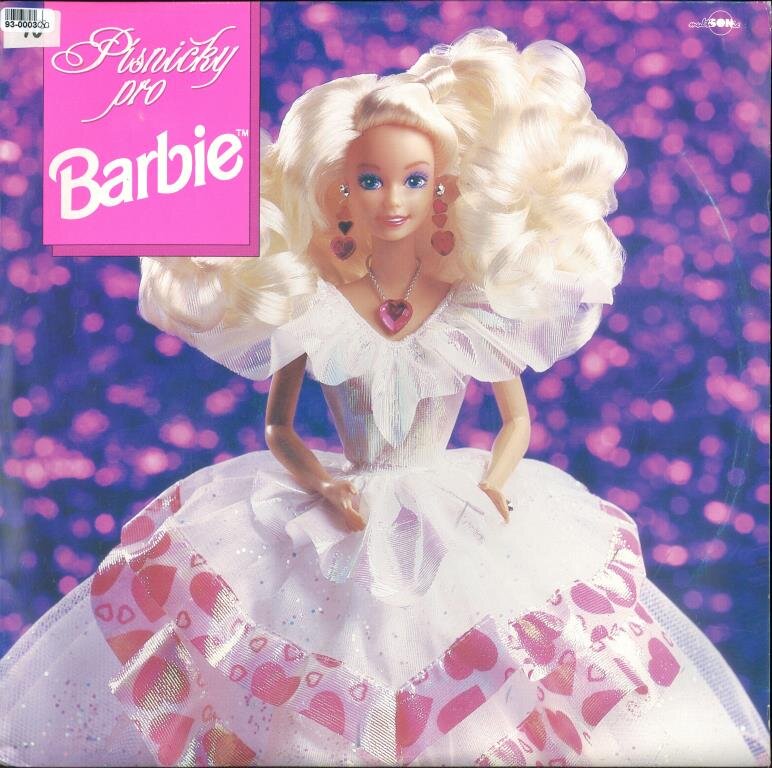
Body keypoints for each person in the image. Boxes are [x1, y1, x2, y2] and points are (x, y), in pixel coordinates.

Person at [0, 27, 768, 768]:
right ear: (338, 187)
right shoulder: (316, 308)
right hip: (336, 513)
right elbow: (279, 428)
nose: (393, 198)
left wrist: (497, 483)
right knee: (296, 670)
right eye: (370, 180)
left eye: (414, 180)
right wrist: (322, 483)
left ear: (445, 188)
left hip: (457, 510)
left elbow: (515, 419)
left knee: (503, 671)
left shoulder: (469, 306)